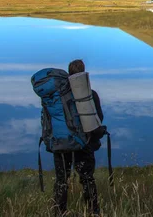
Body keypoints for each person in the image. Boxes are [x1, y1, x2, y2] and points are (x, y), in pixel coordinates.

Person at [53, 59, 104, 216]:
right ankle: (93, 211)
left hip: (61, 145)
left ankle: (60, 212)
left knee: (62, 180)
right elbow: (98, 119)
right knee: (87, 178)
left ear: (68, 74)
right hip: (83, 144)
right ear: (84, 74)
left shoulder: (57, 98)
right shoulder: (90, 95)